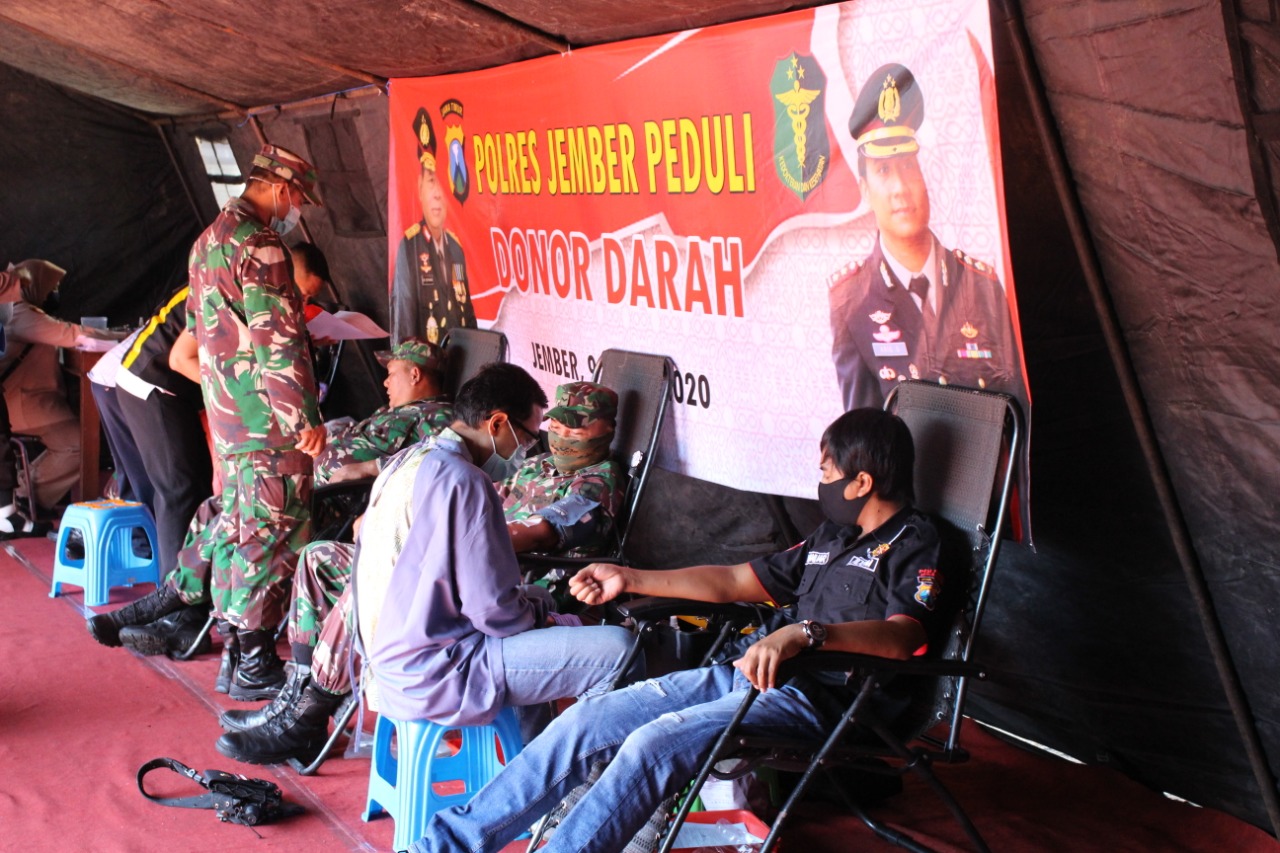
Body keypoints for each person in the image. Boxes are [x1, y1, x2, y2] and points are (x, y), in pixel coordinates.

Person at [410, 407, 952, 853]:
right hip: (745, 673)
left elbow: (904, 636)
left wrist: (806, 634)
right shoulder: (830, 538)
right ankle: (445, 845)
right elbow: (734, 580)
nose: (821, 484)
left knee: (654, 744)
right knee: (588, 719)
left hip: (824, 701)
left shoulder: (917, 543)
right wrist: (629, 578)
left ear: (863, 481)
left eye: (827, 474)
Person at [213, 365, 636, 765]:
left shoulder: (419, 460)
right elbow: (495, 612)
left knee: (373, 585)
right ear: (497, 424)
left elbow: (538, 536)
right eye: (542, 431)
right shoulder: (470, 479)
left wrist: (481, 553)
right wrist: (527, 603)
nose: (544, 443)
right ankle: (563, 780)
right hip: (445, 656)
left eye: (574, 428)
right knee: (618, 648)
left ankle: (307, 711)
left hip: (424, 637)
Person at [187, 142, 326, 701]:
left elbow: (201, 337)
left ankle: (236, 656)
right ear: (278, 187)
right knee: (274, 538)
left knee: (241, 533)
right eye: (297, 198)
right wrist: (303, 418)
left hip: (231, 418)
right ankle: (255, 662)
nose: (297, 209)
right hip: (269, 422)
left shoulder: (207, 242)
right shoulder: (261, 244)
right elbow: (279, 340)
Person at [829, 63, 1028, 414]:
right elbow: (863, 436)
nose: (900, 188)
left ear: (926, 176)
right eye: (884, 170)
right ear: (865, 190)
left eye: (909, 166)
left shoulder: (981, 286)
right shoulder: (851, 302)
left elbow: (1016, 415)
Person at [0, 259, 118, 528]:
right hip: (22, 404)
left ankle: (19, 499)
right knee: (80, 444)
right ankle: (23, 497)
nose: (53, 294)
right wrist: (133, 337)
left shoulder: (18, 311)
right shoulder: (20, 313)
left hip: (25, 399)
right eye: (50, 287)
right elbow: (75, 335)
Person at [313, 337, 453, 484]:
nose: (385, 382)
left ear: (414, 375)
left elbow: (440, 463)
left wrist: (370, 468)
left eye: (391, 374)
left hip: (347, 493)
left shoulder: (437, 415)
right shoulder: (391, 410)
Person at [391, 107, 473, 346]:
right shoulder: (410, 248)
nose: (437, 194)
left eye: (442, 186)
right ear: (419, 188)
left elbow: (467, 315)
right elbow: (405, 320)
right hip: (425, 362)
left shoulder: (456, 248)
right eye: (431, 182)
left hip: (458, 357)